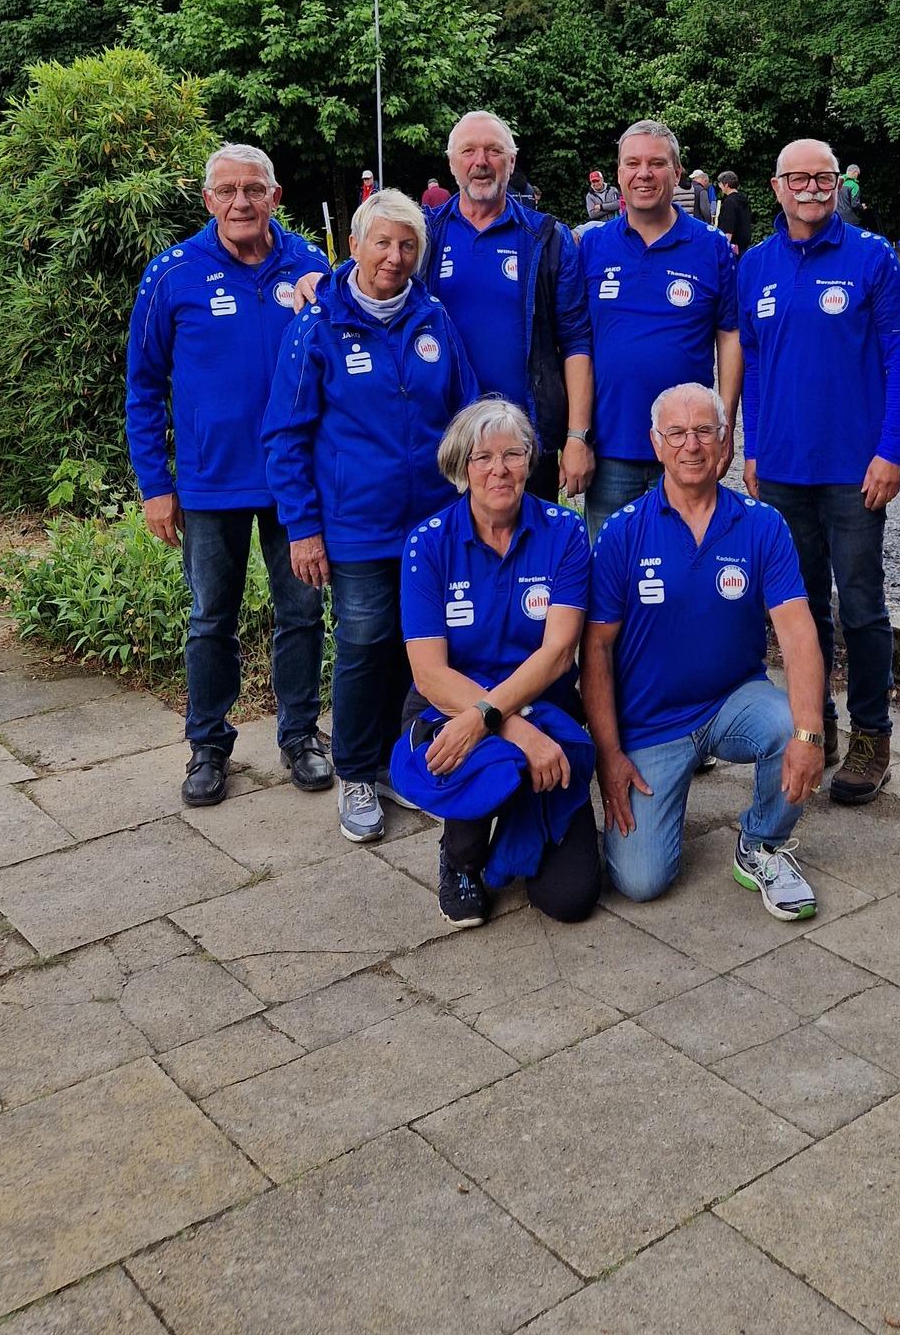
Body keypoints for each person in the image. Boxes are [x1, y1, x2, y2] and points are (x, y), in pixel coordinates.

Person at [263, 189, 477, 842]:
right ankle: (355, 768)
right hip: (356, 526)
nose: (394, 256)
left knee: (421, 648)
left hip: (432, 524)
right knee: (363, 642)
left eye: (408, 244)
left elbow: (466, 413)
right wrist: (302, 528)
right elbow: (285, 435)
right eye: (382, 242)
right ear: (353, 245)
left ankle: (391, 763)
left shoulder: (434, 318)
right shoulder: (317, 325)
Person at [126, 144, 333, 809]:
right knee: (210, 617)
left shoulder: (313, 267)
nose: (241, 201)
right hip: (209, 487)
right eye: (227, 190)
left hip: (293, 485)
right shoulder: (173, 272)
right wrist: (156, 484)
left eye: (254, 188)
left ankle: (300, 734)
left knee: (301, 612)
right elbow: (142, 385)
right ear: (208, 199)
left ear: (275, 195)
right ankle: (208, 745)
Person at [584, 382, 826, 917]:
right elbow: (595, 652)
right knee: (640, 882)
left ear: (724, 443)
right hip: (652, 724)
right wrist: (610, 758)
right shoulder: (622, 534)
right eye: (677, 433)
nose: (691, 445)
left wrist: (811, 734)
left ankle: (760, 843)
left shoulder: (762, 525)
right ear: (655, 443)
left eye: (704, 432)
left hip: (731, 701)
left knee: (790, 726)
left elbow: (798, 632)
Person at [389, 397, 601, 929]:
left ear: (531, 462)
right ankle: (460, 855)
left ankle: (514, 827)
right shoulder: (428, 544)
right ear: (462, 467)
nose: (499, 470)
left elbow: (557, 655)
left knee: (570, 899)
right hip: (450, 704)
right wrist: (505, 728)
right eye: (483, 457)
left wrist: (502, 722)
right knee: (486, 754)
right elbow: (429, 674)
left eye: (513, 454)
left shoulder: (565, 533)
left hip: (540, 703)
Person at [740, 138, 900, 803]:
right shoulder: (753, 265)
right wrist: (753, 447)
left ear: (839, 185)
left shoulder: (871, 258)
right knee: (799, 609)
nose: (811, 187)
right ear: (776, 187)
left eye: (823, 176)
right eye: (797, 177)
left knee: (860, 604)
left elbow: (897, 359)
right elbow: (750, 359)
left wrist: (893, 449)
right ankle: (819, 724)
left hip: (853, 469)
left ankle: (872, 732)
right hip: (780, 469)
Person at [578, 119, 741, 541]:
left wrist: (724, 426)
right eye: (632, 164)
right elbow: (575, 343)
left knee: (686, 575)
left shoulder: (711, 247)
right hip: (611, 447)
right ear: (618, 175)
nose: (644, 173)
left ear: (678, 172)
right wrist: (576, 436)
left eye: (657, 163)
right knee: (609, 584)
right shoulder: (592, 247)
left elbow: (730, 337)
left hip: (688, 448)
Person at [422, 112, 594, 505]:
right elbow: (374, 271)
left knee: (530, 560)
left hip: (525, 445)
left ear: (511, 162)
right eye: (468, 151)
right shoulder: (425, 235)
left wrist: (576, 436)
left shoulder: (547, 238)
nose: (481, 161)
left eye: (494, 151)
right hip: (444, 438)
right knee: (454, 561)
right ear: (452, 163)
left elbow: (576, 341)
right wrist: (323, 280)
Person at [714, 170, 755, 254]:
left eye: (721, 184)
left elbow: (728, 226)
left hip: (733, 246)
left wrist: (724, 248)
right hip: (744, 243)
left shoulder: (729, 202)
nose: (720, 186)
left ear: (726, 185)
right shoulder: (743, 199)